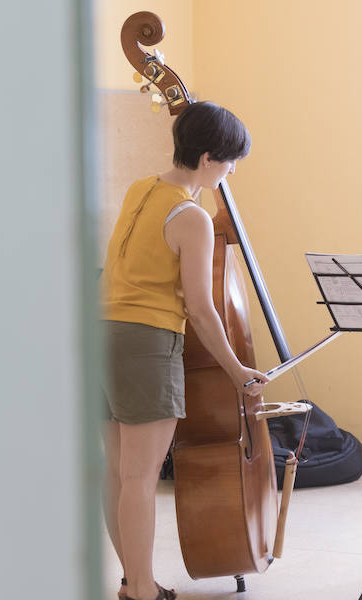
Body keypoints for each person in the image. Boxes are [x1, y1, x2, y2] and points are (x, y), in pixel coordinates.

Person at [101, 101, 271, 600]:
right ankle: (142, 593)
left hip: (101, 333)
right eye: (230, 160)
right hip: (146, 342)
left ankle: (136, 581)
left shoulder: (143, 188)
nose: (233, 171)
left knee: (117, 472)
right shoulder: (191, 217)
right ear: (207, 157)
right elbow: (200, 310)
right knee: (140, 477)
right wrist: (239, 371)